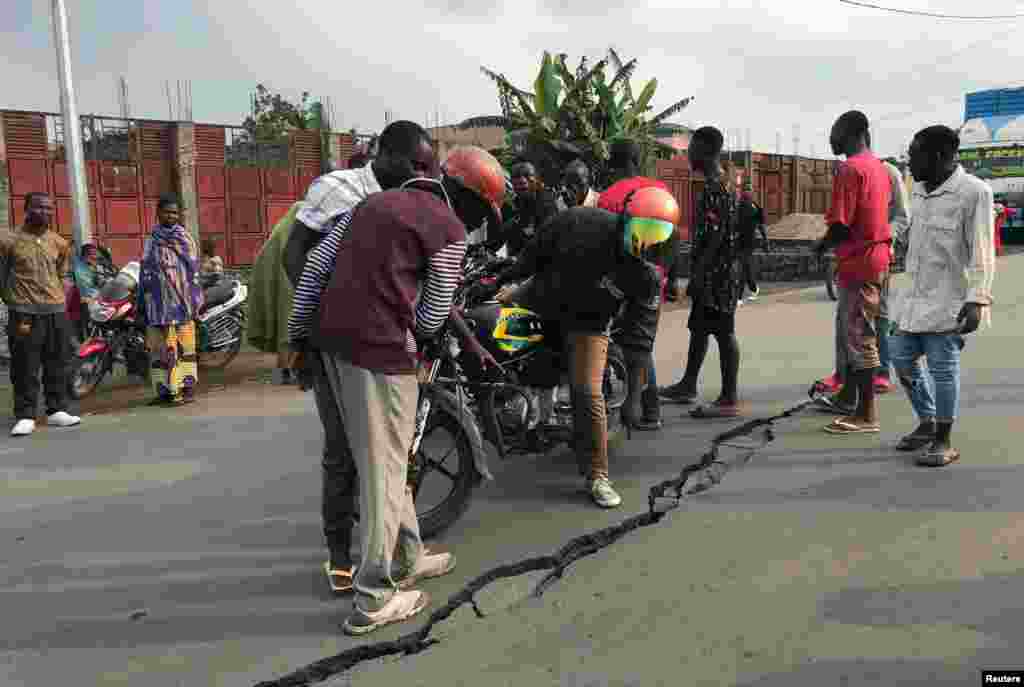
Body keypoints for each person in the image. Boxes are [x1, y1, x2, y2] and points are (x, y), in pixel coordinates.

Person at [300, 146, 505, 635]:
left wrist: (296, 335)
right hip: (378, 352)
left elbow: (314, 269)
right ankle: (373, 596)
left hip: (331, 345)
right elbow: (433, 316)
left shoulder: (372, 203)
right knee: (385, 472)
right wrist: (416, 330)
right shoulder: (450, 231)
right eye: (483, 211)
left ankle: (408, 556)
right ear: (468, 200)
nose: (479, 222)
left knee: (384, 458)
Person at [282, 120, 438, 594]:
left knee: (390, 449)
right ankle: (340, 554)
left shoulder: (409, 201)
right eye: (412, 162)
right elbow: (299, 258)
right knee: (344, 449)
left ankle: (405, 551)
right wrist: (316, 327)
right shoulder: (341, 190)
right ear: (384, 153)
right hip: (336, 341)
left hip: (382, 341)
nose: (419, 172)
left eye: (425, 166)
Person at [489, 185, 681, 508]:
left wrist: (636, 393)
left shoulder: (646, 277)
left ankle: (597, 475)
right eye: (642, 228)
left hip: (589, 324)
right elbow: (530, 258)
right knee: (490, 336)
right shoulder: (577, 221)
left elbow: (641, 334)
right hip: (541, 299)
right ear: (625, 217)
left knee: (586, 391)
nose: (645, 240)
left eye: (656, 233)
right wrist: (501, 280)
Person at [891, 125, 995, 466]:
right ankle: (927, 421)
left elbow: (983, 250)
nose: (909, 162)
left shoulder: (973, 192)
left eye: (914, 154)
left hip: (950, 301)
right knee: (901, 357)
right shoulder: (918, 190)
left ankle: (943, 440)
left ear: (937, 157)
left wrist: (978, 299)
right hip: (914, 298)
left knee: (943, 371)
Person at [811, 111, 892, 435]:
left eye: (835, 132)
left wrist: (819, 247)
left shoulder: (850, 168)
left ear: (851, 133)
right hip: (874, 258)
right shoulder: (879, 167)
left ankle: (866, 413)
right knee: (854, 331)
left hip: (859, 261)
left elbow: (841, 225)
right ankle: (847, 396)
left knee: (860, 336)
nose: (831, 139)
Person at [659, 126, 745, 419]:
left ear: (707, 150)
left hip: (717, 274)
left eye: (692, 148)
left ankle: (729, 399)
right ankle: (687, 385)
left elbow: (717, 237)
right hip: (717, 271)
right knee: (699, 327)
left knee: (724, 331)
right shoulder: (723, 183)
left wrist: (698, 275)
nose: (687, 154)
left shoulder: (717, 187)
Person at [816, 157, 909, 397]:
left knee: (878, 315)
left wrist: (880, 236)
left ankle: (881, 374)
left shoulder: (888, 172)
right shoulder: (848, 174)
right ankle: (843, 376)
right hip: (852, 255)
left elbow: (902, 216)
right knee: (845, 318)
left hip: (877, 254)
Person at [598, 165, 674, 432]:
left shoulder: (611, 197)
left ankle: (632, 407)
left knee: (628, 345)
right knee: (641, 347)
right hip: (651, 279)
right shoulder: (660, 192)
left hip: (632, 277)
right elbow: (671, 243)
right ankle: (648, 409)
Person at [0, 192, 80, 436]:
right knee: (25, 365)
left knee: (58, 362)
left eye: (49, 208)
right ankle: (26, 415)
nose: (46, 212)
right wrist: (12, 300)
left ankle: (56, 410)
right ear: (27, 209)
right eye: (40, 208)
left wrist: (61, 296)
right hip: (24, 312)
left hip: (55, 311)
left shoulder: (58, 242)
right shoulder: (8, 240)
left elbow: (63, 274)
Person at [138, 194, 204, 406]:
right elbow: (145, 267)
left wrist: (193, 300)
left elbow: (193, 269)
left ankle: (186, 389)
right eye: (167, 212)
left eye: (175, 212)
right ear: (158, 213)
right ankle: (164, 391)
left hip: (181, 304)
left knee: (184, 347)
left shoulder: (184, 238)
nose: (171, 216)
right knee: (159, 349)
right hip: (157, 305)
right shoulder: (151, 239)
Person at [249, 206, 301, 385]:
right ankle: (287, 371)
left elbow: (262, 263)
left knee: (285, 332)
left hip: (280, 287)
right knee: (291, 331)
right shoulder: (295, 234)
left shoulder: (279, 232)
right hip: (292, 286)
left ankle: (283, 372)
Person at [486, 160, 564, 256]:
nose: (519, 193)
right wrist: (486, 247)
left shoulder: (546, 205)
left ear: (533, 182)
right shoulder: (519, 203)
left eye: (523, 188)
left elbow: (544, 241)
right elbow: (508, 229)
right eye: (516, 188)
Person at [736, 188, 768, 303]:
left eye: (749, 191)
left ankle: (739, 297)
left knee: (743, 268)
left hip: (749, 243)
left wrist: (765, 241)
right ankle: (754, 288)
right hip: (738, 241)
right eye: (745, 191)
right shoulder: (737, 206)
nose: (747, 193)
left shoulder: (756, 208)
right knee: (746, 268)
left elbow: (761, 226)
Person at [71, 242, 101, 340]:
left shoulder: (95, 267)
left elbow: (99, 283)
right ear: (86, 255)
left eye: (95, 254)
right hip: (83, 301)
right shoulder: (78, 266)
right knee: (85, 325)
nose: (95, 257)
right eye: (92, 254)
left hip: (93, 300)